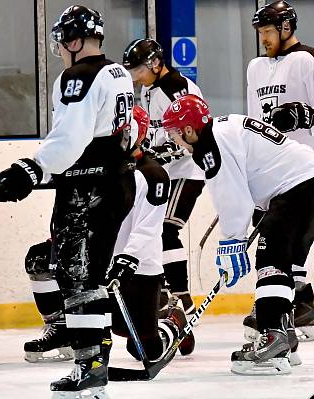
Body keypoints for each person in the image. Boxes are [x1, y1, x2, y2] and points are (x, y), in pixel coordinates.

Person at [0, 5, 136, 397]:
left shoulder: (78, 76)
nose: (58, 49)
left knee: (78, 276)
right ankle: (95, 359)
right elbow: (130, 130)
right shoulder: (117, 71)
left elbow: (70, 138)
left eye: (61, 41)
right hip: (116, 182)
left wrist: (32, 168)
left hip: (89, 189)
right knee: (86, 276)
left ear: (74, 41)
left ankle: (90, 368)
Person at [23, 106, 187, 367]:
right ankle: (63, 327)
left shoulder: (153, 174)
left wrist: (127, 259)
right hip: (99, 262)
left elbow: (148, 228)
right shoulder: (99, 166)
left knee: (145, 349)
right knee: (40, 259)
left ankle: (173, 319)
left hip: (139, 268)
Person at [162, 94, 311, 375]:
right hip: (305, 182)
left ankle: (272, 341)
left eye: (175, 133)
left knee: (270, 261)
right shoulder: (224, 128)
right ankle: (285, 337)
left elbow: (234, 200)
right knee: (285, 266)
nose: (174, 140)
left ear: (190, 130)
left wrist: (232, 241)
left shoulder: (210, 145)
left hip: (296, 188)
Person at [123, 39, 206, 337]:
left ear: (156, 64)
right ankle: (167, 292)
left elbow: (194, 131)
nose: (134, 76)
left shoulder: (178, 88)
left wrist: (160, 155)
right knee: (150, 228)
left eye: (138, 69)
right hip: (161, 174)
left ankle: (181, 296)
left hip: (186, 170)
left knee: (166, 229)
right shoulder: (147, 89)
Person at [246, 0, 314, 342]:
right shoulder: (256, 68)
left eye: (268, 31)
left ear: (287, 28)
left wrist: (307, 115)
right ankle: (294, 303)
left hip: (307, 168)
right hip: (272, 167)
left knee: (291, 238)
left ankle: (292, 303)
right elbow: (253, 121)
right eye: (260, 32)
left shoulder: (307, 60)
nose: (263, 39)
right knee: (280, 238)